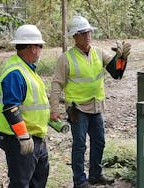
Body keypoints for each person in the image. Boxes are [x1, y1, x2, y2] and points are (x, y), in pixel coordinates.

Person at [49, 15, 131, 188]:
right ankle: (79, 181)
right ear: (74, 36)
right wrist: (54, 109)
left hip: (96, 106)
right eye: (82, 33)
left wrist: (122, 59)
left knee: (99, 142)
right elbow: (56, 85)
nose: (87, 35)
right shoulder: (66, 58)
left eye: (88, 32)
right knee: (79, 145)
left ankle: (95, 175)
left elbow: (117, 74)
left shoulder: (99, 52)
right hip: (77, 109)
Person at [0, 24, 50, 188]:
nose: (40, 50)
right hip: (18, 138)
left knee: (39, 178)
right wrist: (23, 136)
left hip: (34, 136)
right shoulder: (15, 73)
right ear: (33, 48)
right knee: (21, 182)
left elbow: (31, 104)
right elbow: (11, 108)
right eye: (40, 46)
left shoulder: (27, 68)